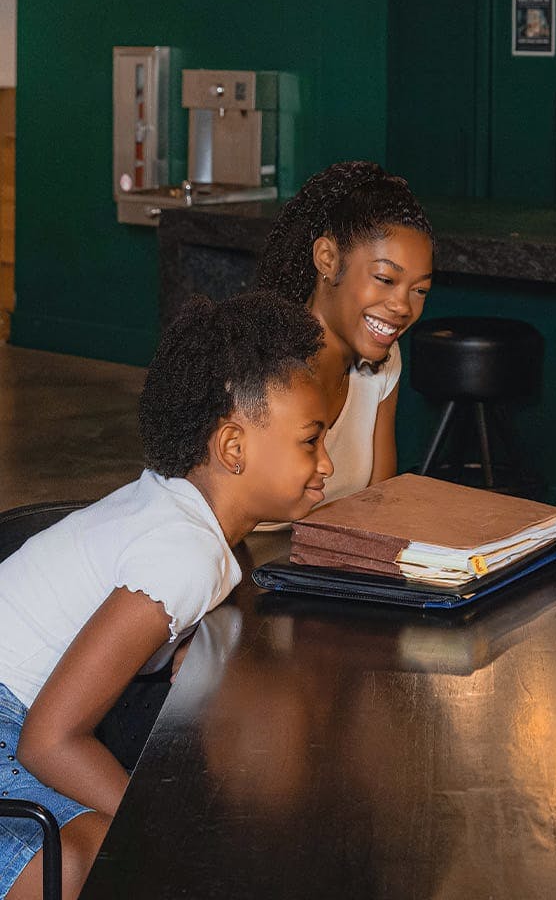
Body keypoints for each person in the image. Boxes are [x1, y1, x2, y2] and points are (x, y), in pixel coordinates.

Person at [0, 291, 332, 900]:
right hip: (9, 720)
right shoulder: (185, 553)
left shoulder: (184, 516)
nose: (327, 463)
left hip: (15, 716)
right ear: (233, 447)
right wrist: (157, 829)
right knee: (95, 860)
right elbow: (48, 740)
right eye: (310, 441)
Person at [254, 160, 434, 506]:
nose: (402, 307)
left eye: (420, 290)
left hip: (334, 554)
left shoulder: (385, 358)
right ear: (327, 259)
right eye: (385, 279)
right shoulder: (261, 363)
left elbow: (379, 501)